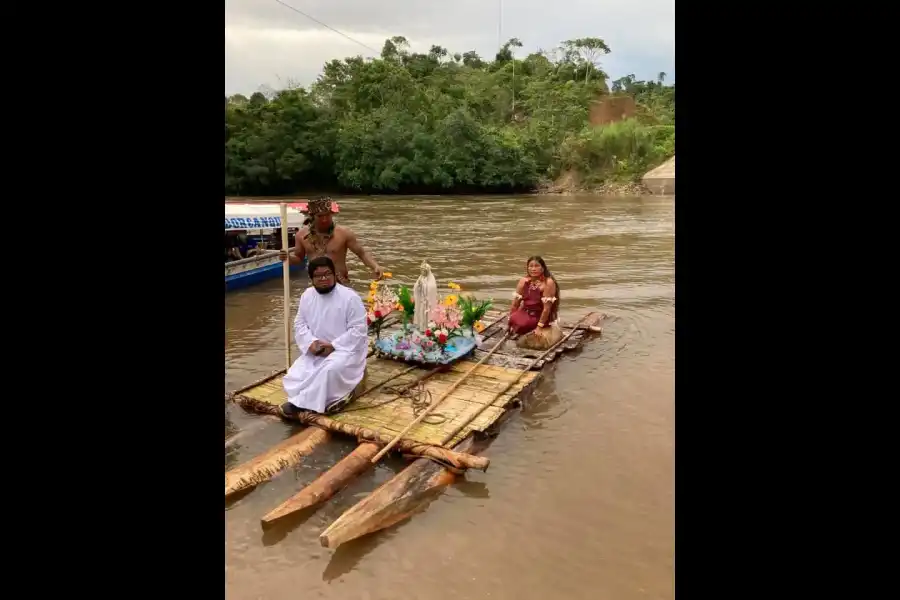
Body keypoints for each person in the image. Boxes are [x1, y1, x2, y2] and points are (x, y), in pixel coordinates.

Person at [279, 256, 369, 417]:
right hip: (317, 350)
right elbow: (299, 324)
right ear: (311, 279)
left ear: (334, 275)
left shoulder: (350, 297)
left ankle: (306, 405)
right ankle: (314, 400)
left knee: (329, 370)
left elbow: (359, 330)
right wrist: (311, 343)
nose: (324, 279)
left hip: (346, 351)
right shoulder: (307, 296)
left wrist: (334, 346)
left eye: (328, 274)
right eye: (318, 276)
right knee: (296, 373)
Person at [278, 196, 384, 286]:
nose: (324, 219)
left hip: (341, 284)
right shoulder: (301, 235)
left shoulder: (344, 233)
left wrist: (375, 266)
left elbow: (362, 253)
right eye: (320, 216)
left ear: (332, 214)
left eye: (327, 215)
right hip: (317, 286)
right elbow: (298, 258)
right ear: (312, 216)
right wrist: (287, 258)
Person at [508, 256, 561, 347]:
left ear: (543, 268)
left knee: (523, 324)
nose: (533, 269)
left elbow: (546, 309)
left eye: (536, 266)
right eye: (531, 266)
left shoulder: (548, 283)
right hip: (525, 312)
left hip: (539, 315)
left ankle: (529, 328)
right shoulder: (523, 281)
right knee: (513, 319)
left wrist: (539, 327)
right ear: (527, 268)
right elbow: (515, 303)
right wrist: (510, 319)